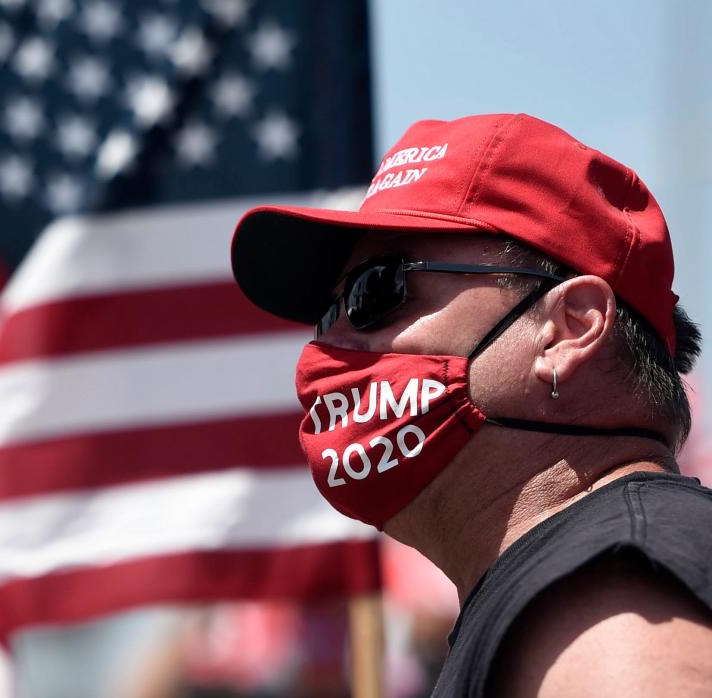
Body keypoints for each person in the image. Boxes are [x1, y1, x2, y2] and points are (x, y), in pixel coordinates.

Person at [229, 113, 712, 696]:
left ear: (567, 329)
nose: (329, 348)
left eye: (376, 290)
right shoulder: (572, 581)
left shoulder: (616, 591)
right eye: (327, 317)